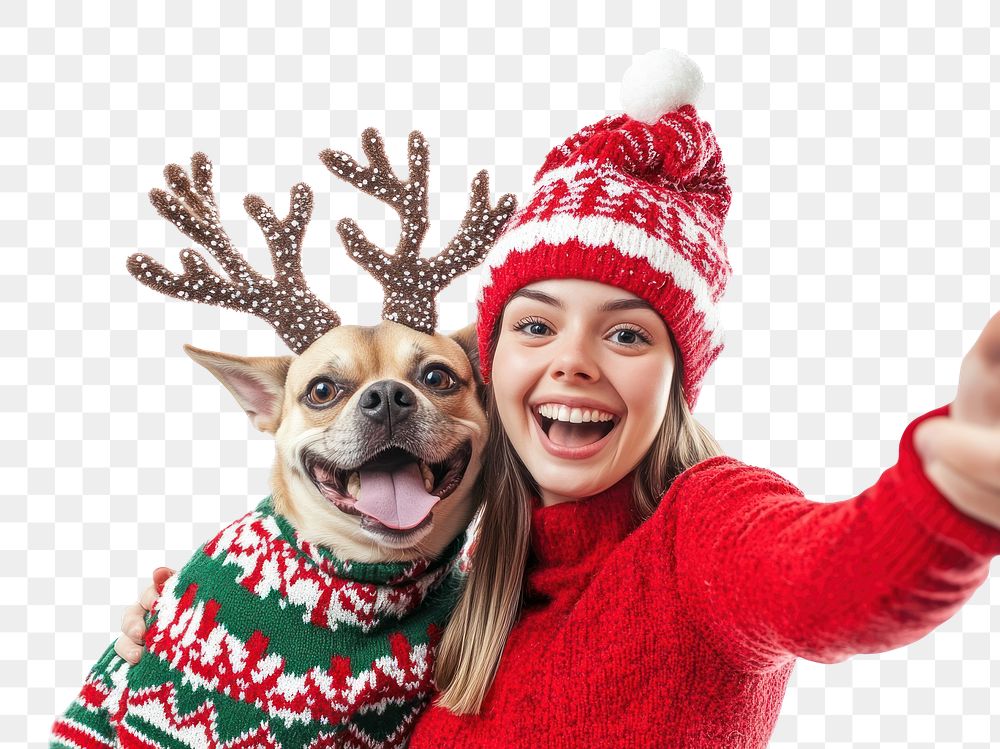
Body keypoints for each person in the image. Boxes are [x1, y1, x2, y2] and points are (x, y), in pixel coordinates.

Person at [114, 50, 1000, 747]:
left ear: (678, 375)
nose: (571, 362)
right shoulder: (463, 589)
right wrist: (201, 633)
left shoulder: (704, 530)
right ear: (493, 369)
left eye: (625, 333)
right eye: (536, 327)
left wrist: (952, 490)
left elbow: (829, 582)